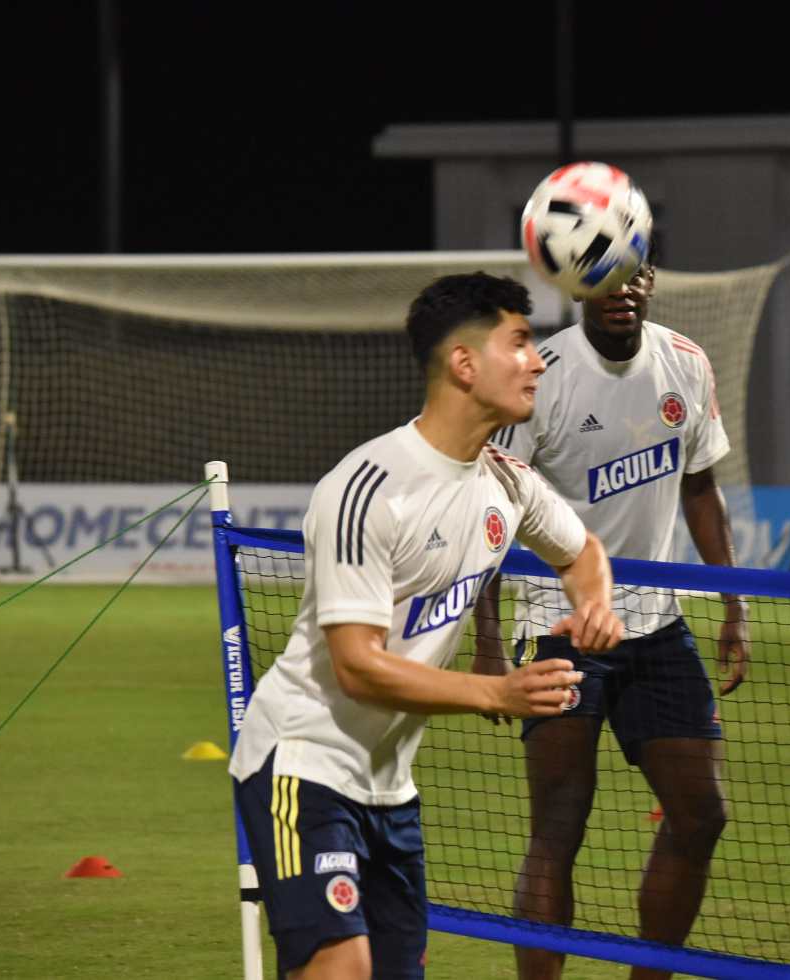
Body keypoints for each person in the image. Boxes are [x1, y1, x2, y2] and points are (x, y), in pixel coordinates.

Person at [228, 272, 625, 980]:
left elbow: (583, 551)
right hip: (303, 763)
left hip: (391, 788)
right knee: (340, 968)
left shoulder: (509, 482)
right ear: (465, 365)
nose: (538, 361)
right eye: (520, 343)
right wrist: (496, 693)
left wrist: (595, 605)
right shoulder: (365, 490)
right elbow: (357, 665)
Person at [474, 249, 749, 980]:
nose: (622, 292)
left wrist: (733, 603)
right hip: (559, 630)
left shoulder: (685, 365)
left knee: (702, 815)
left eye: (634, 277)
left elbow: (700, 488)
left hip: (656, 626)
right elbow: (490, 514)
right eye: (603, 280)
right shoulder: (544, 376)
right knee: (559, 827)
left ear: (652, 282)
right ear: (578, 288)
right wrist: (490, 644)